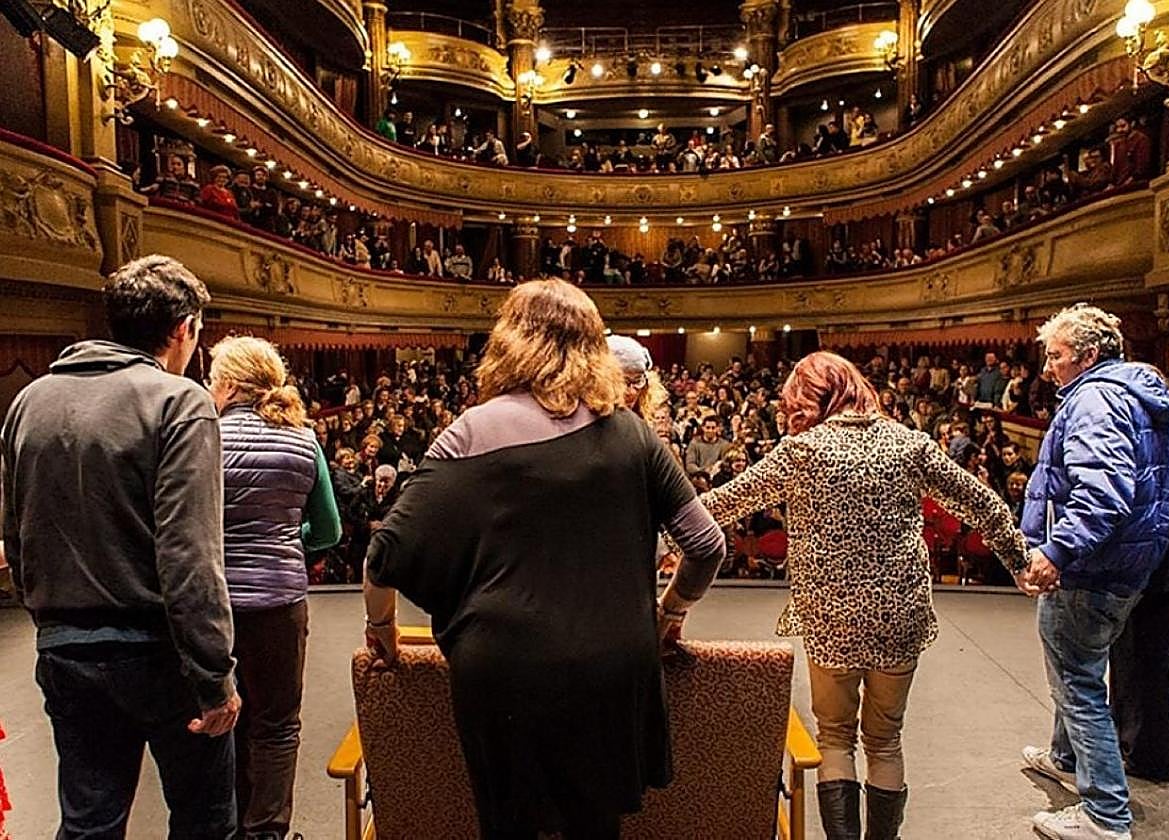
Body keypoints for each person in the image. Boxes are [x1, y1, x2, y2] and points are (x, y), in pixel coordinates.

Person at [362, 279, 726, 840]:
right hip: (612, 667)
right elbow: (706, 545)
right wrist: (669, 612)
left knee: (509, 827)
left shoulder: (472, 431)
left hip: (503, 669)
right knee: (596, 827)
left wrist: (381, 626)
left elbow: (384, 554)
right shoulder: (632, 433)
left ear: (509, 341)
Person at [693, 351, 1027, 840]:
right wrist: (1019, 561)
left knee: (835, 738)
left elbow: (720, 504)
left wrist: (651, 523)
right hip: (899, 613)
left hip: (830, 615)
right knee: (885, 740)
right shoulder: (909, 444)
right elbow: (983, 503)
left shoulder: (802, 452)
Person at [1, 255, 241, 838]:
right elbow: (190, 556)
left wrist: (52, 620)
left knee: (89, 826)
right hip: (162, 653)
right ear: (183, 327)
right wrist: (214, 676)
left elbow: (15, 534)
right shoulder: (180, 402)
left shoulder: (30, 401)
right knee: (205, 823)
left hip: (64, 647)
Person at [1019, 305, 1169, 840]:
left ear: (1087, 355)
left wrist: (1055, 552)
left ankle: (1105, 815)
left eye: (1056, 356)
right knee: (1078, 670)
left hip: (1091, 570)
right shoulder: (1135, 396)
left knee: (1077, 684)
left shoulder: (1095, 400)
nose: (1048, 368)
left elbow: (1102, 496)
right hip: (1127, 564)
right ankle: (1064, 758)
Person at [206, 335, 342, 840]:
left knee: (221, 716)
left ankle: (227, 825)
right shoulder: (304, 440)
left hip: (213, 605)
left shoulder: (202, 438)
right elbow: (328, 530)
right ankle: (267, 831)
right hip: (279, 604)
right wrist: (287, 538)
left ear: (229, 385)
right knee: (278, 724)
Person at [1109, 423, 1169, 783]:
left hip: (1163, 577)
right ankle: (1136, 750)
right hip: (1167, 574)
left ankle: (1149, 759)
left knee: (1144, 670)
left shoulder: (1164, 447)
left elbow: (1159, 519)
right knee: (1137, 669)